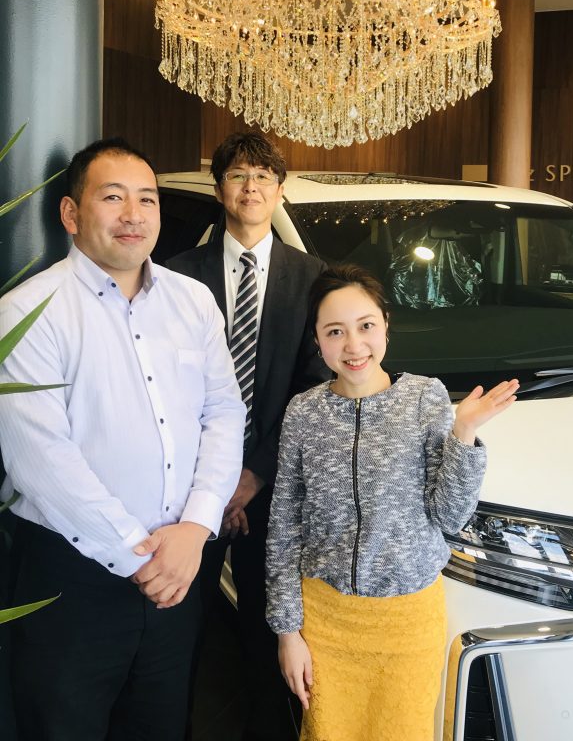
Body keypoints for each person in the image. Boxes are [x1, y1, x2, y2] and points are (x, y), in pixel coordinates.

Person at [0, 138, 246, 741]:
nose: (133, 215)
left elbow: (223, 412)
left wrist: (196, 528)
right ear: (70, 213)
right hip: (72, 576)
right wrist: (142, 556)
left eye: (147, 199)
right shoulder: (29, 310)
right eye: (113, 198)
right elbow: (41, 460)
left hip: (180, 569)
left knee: (161, 725)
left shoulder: (193, 301)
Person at [265, 264, 519, 741]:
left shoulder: (425, 397)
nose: (353, 345)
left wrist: (464, 433)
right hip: (325, 620)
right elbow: (283, 527)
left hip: (407, 622)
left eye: (365, 326)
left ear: (385, 324)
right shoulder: (304, 412)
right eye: (335, 331)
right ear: (316, 340)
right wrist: (287, 632)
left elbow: (449, 517)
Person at [167, 131, 326, 741]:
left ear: (279, 192)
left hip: (275, 488)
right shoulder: (178, 275)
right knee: (180, 627)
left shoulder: (311, 278)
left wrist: (251, 476)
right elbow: (168, 389)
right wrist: (215, 480)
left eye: (263, 176)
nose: (251, 186)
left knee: (270, 630)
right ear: (219, 190)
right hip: (188, 490)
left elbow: (312, 390)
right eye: (238, 175)